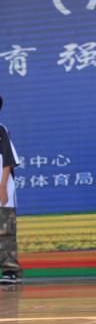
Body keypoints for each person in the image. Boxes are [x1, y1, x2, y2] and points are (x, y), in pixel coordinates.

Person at [0, 96, 22, 285]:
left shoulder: (1, 130)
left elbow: (8, 161)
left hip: (3, 188)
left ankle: (10, 271)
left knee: (6, 231)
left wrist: (2, 187)